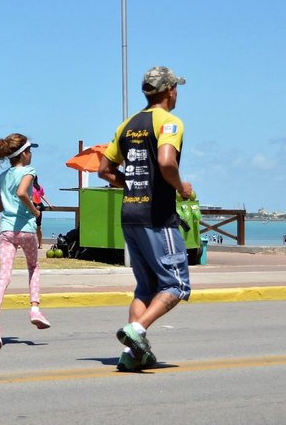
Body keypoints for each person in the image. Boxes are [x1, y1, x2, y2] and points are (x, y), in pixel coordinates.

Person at [98, 65, 192, 372]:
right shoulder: (169, 123)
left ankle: (131, 354)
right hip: (158, 216)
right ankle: (137, 331)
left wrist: (133, 183)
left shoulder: (126, 125)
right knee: (176, 285)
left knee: (145, 289)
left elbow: (105, 171)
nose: (177, 92)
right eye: (175, 87)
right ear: (168, 91)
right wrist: (181, 188)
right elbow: (166, 162)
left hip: (130, 214)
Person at [0, 133, 49, 349]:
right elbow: (22, 192)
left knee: (4, 274)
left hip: (6, 230)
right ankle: (34, 309)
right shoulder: (29, 171)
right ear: (25, 154)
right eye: (30, 152)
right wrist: (34, 210)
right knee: (33, 266)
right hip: (26, 229)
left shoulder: (3, 176)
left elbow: (0, 207)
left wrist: (11, 204)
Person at [32, 176, 54, 248]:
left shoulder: (35, 187)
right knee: (35, 226)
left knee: (37, 226)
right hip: (36, 206)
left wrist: (49, 204)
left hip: (36, 206)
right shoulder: (36, 187)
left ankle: (40, 244)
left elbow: (42, 196)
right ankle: (37, 244)